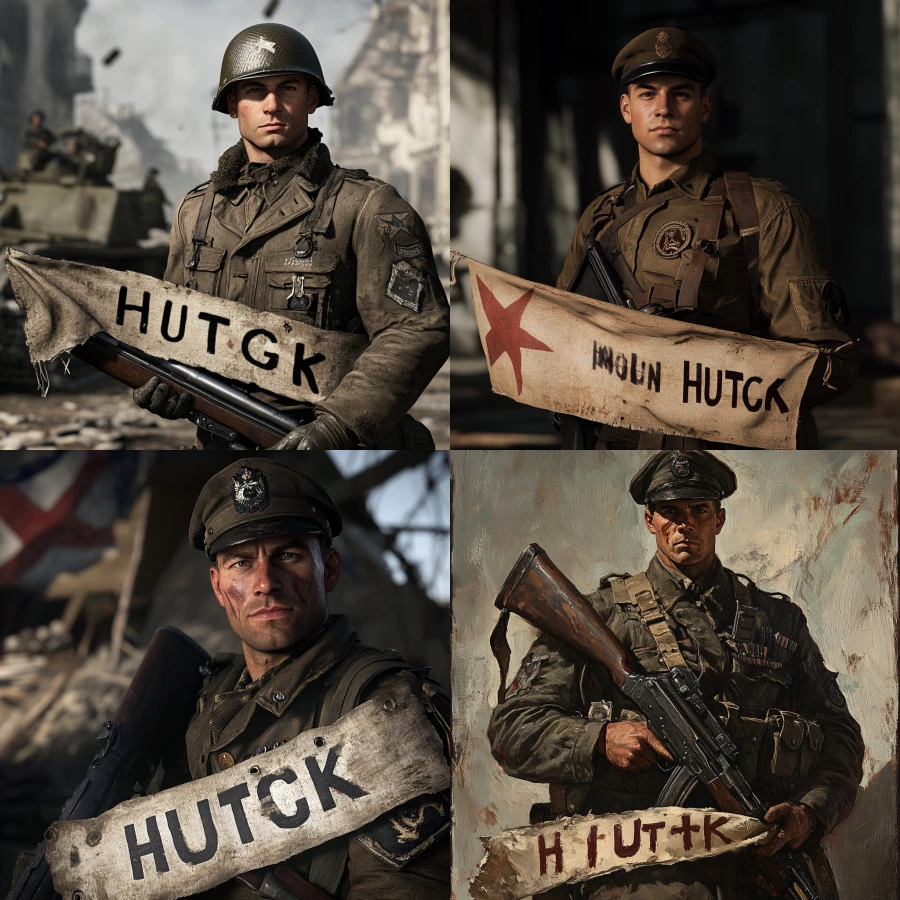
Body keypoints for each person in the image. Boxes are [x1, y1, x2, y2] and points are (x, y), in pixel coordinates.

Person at [488, 450, 864, 900]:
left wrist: (810, 811)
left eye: (698, 510)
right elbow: (511, 730)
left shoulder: (778, 621)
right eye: (670, 512)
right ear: (650, 521)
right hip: (640, 874)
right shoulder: (601, 617)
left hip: (761, 865)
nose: (684, 524)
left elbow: (840, 731)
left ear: (719, 519)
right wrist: (601, 738)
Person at [133, 23, 449, 450]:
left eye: (288, 88)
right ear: (232, 105)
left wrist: (339, 425)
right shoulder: (197, 212)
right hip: (220, 442)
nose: (272, 105)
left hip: (336, 442)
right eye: (254, 91)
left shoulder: (367, 207)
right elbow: (171, 324)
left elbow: (417, 328)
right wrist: (164, 378)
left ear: (312, 99)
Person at [552, 27, 858, 450]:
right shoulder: (600, 217)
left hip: (726, 453)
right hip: (611, 452)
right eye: (646, 94)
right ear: (626, 108)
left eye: (680, 93)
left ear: (704, 107)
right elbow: (560, 337)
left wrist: (704, 383)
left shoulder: (763, 208)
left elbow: (826, 360)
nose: (663, 109)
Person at [163, 457, 450, 899]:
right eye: (241, 563)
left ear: (328, 569)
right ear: (219, 587)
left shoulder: (387, 706)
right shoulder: (205, 699)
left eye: (289, 555)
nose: (265, 583)